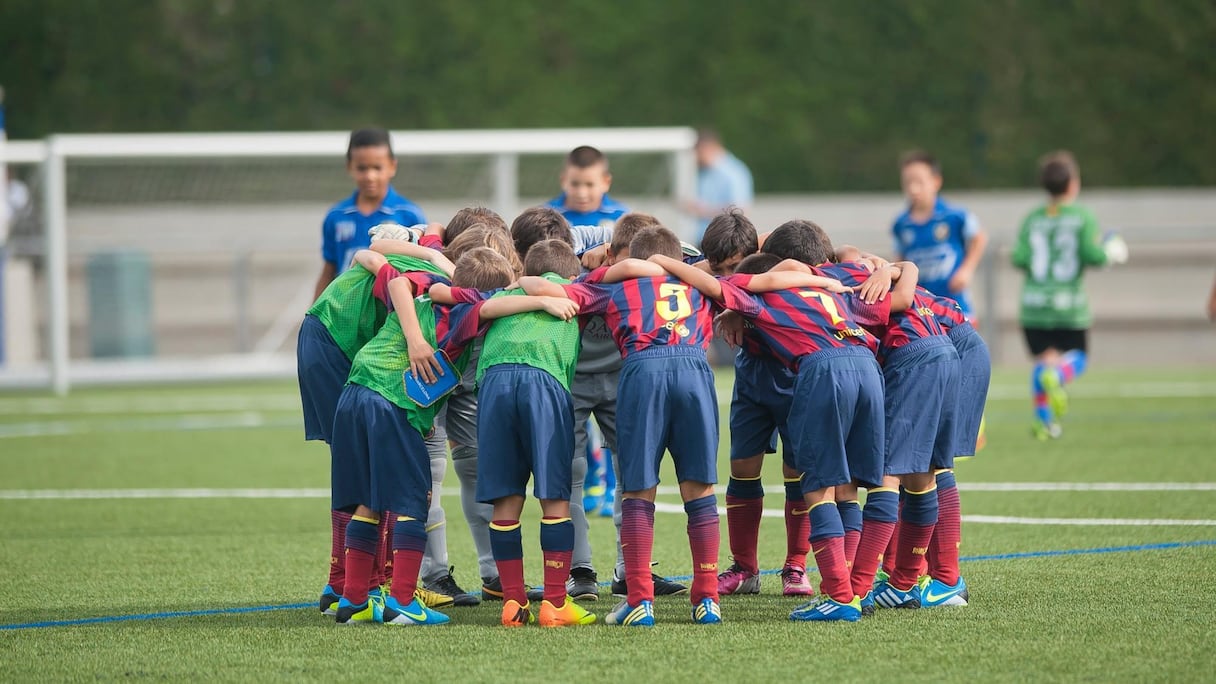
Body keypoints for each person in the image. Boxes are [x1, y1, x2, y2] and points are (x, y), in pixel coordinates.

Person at [651, 250, 914, 623]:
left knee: (817, 484)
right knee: (851, 486)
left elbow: (715, 284)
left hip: (823, 371)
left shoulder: (760, 296)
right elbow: (883, 304)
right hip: (867, 367)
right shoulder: (829, 290)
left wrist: (665, 260)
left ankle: (839, 596)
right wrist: (887, 268)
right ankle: (856, 589)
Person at [520, 227, 722, 627]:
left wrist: (597, 269)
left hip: (643, 369)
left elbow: (542, 288)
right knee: (699, 488)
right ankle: (708, 599)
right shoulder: (700, 286)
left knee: (637, 488)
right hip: (696, 370)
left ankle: (640, 600)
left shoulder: (615, 287)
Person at [328, 247, 510, 626]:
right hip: (390, 402)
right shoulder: (468, 310)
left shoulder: (429, 294)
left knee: (367, 500)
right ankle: (402, 602)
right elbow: (493, 307)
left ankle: (355, 599)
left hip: (354, 393)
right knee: (414, 500)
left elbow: (396, 279)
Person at [438, 239, 595, 627]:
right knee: (554, 496)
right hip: (543, 382)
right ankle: (555, 604)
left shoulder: (501, 293)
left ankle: (513, 603)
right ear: (571, 274)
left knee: (506, 498)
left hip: (492, 385)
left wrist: (523, 285)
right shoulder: (580, 290)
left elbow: (452, 296)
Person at [299, 241, 454, 617]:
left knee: (365, 473)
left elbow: (367, 252)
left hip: (329, 342)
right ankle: (381, 589)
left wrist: (433, 254)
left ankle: (354, 587)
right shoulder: (435, 283)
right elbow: (389, 273)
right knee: (375, 470)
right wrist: (418, 340)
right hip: (338, 346)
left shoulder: (426, 255)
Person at [702, 218, 815, 598]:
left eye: (735, 267)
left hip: (795, 375)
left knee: (795, 471)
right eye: (720, 271)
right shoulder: (712, 270)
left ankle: (796, 566)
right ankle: (745, 568)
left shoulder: (781, 259)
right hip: (752, 377)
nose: (728, 277)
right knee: (742, 468)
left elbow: (826, 258)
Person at [1011, 151, 1127, 439]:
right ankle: (1061, 375)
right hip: (1069, 305)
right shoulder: (1082, 216)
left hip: (1034, 306)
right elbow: (1093, 255)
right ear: (1073, 184)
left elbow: (1019, 257)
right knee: (1078, 357)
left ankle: (1044, 422)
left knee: (1043, 360)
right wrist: (1110, 251)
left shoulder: (1033, 218)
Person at [314, 128, 427, 301]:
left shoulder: (409, 215)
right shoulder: (336, 216)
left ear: (392, 166)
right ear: (349, 167)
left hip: (389, 309)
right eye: (362, 168)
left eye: (377, 167)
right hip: (345, 307)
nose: (370, 176)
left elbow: (422, 271)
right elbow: (329, 270)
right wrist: (312, 315)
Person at [891, 150, 988, 321]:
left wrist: (966, 271)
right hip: (922, 310)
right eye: (908, 183)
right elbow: (899, 258)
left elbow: (979, 238)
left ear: (936, 181)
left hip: (957, 306)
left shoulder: (954, 216)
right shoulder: (901, 224)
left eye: (919, 182)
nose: (913, 189)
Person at [685, 129, 754, 242]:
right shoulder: (704, 172)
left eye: (697, 152)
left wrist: (702, 210)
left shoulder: (734, 172)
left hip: (725, 242)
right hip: (705, 240)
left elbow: (740, 210)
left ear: (706, 148)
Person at [546, 145, 629, 232]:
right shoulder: (546, 218)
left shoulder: (623, 219)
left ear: (606, 182)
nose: (582, 194)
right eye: (575, 184)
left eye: (590, 185)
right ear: (563, 180)